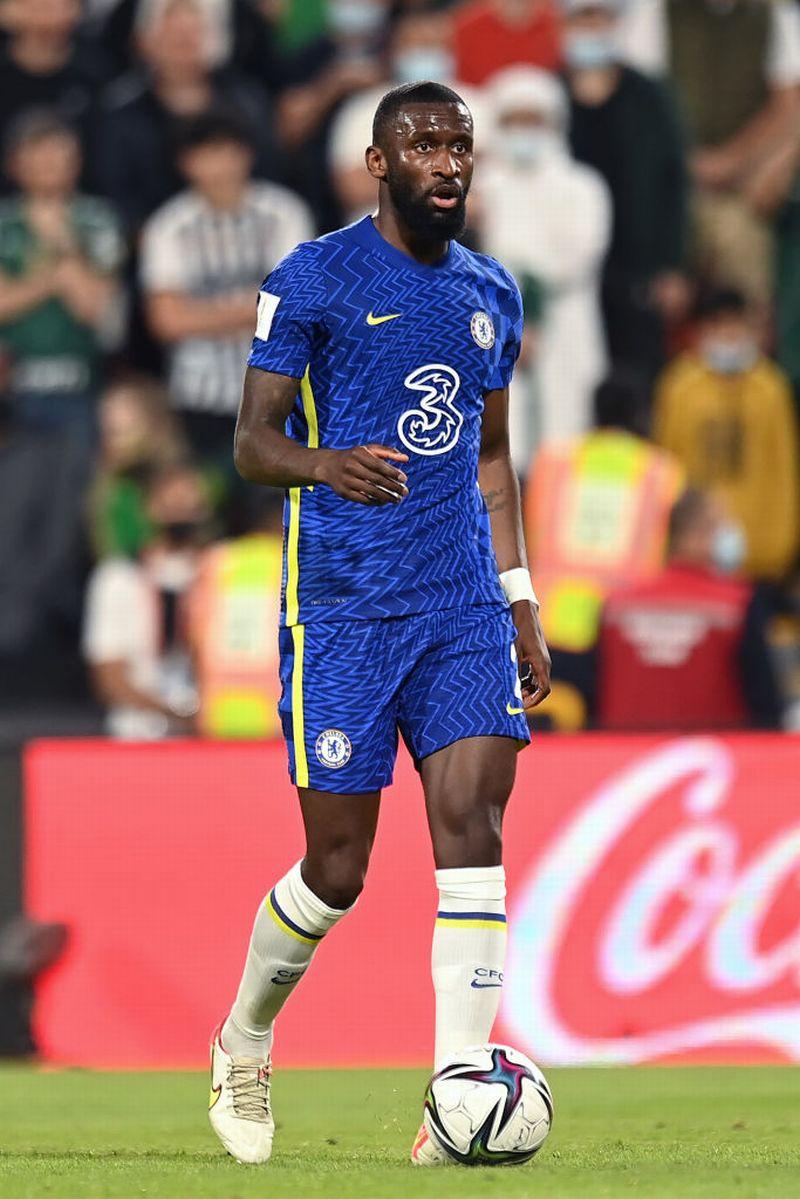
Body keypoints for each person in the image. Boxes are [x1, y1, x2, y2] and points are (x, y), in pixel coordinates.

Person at [210, 80, 551, 1166]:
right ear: (377, 162)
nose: (446, 161)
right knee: (338, 867)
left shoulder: (490, 289)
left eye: (459, 144)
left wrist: (518, 596)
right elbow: (251, 444)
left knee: (472, 822)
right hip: (343, 608)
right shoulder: (314, 277)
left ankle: (458, 1088)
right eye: (423, 144)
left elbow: (491, 459)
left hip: (460, 602)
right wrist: (324, 464)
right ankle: (243, 1036)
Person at [140, 109, 313, 462]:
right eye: (206, 155)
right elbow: (166, 321)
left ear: (247, 154)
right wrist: (256, 306)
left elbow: (297, 305)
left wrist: (199, 313)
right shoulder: (168, 226)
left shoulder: (284, 212)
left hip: (278, 392)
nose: (219, 167)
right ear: (185, 163)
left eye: (227, 152)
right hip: (199, 397)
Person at [618, 0, 800, 313]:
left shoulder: (774, 15)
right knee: (665, 274)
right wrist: (685, 160)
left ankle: (745, 335)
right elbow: (637, 100)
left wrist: (733, 161)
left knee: (742, 246)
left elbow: (788, 107)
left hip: (742, 186)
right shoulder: (655, 11)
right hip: (670, 184)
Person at [479, 65, 610, 463]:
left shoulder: (581, 186)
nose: (523, 132)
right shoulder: (479, 188)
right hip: (493, 327)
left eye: (533, 121)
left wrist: (527, 292)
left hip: (566, 325)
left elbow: (579, 254)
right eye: (513, 121)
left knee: (567, 432)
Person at [563, 0, 689, 382]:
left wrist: (672, 263)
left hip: (638, 264)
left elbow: (673, 181)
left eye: (599, 19)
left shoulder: (649, 95)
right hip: (571, 270)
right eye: (582, 20)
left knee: (639, 372)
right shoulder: (549, 95)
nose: (591, 30)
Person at [524, 370, 684, 657]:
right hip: (624, 626)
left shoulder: (552, 461)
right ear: (641, 414)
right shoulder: (660, 472)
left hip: (547, 621)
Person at [598, 487, 783, 730]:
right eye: (720, 526)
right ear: (692, 534)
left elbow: (594, 693)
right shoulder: (738, 605)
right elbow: (766, 709)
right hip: (713, 750)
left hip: (621, 751)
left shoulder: (616, 605)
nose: (729, 536)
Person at [653, 288, 800, 582]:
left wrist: (781, 547)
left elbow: (784, 471)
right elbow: (666, 466)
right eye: (717, 324)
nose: (727, 333)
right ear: (702, 330)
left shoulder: (770, 389)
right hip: (693, 554)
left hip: (761, 556)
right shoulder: (680, 387)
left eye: (735, 324)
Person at [94, 0, 280, 231]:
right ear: (145, 41)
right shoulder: (121, 112)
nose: (184, 44)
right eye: (173, 36)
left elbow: (270, 173)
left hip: (248, 229)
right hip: (150, 239)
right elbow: (114, 192)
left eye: (193, 35)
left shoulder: (248, 102)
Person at [0, 109, 124, 448]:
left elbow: (98, 312)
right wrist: (55, 277)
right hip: (10, 388)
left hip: (82, 384)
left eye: (59, 157)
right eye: (38, 158)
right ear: (15, 165)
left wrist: (62, 244)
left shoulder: (98, 221)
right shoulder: (4, 224)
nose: (50, 166)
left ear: (76, 163)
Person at [82, 462, 210, 739]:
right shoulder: (118, 578)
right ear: (148, 508)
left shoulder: (217, 572)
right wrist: (175, 714)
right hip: (136, 735)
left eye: (189, 504)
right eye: (171, 504)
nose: (180, 514)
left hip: (206, 735)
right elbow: (109, 674)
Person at [328, 8, 484, 224]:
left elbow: (487, 188)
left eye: (432, 46)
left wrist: (397, 175)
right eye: (416, 46)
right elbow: (353, 188)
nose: (425, 53)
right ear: (395, 51)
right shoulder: (363, 109)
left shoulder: (476, 106)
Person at [189, 492, 284, 739]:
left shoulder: (215, 560)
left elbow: (194, 635)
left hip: (217, 710)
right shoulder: (291, 564)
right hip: (275, 712)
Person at [0, 0, 111, 192]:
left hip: (85, 195)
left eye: (57, 5)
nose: (46, 18)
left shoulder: (97, 73)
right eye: (37, 7)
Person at [87, 376, 189, 560]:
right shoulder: (114, 490)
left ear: (154, 425)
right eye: (109, 432)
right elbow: (114, 548)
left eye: (125, 431)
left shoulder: (186, 479)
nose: (114, 442)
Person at [453, 0, 562, 86]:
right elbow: (465, 78)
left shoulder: (552, 26)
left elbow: (554, 70)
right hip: (482, 95)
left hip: (536, 94)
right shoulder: (468, 27)